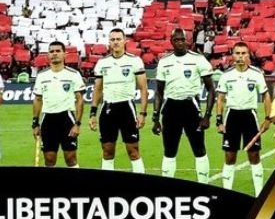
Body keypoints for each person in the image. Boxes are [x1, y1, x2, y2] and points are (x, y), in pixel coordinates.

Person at [153, 28, 216, 181]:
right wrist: (155, 118)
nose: (180, 42)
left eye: (183, 39)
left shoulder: (198, 59)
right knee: (169, 150)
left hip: (191, 107)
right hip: (171, 108)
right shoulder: (164, 62)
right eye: (177, 40)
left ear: (187, 41)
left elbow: (211, 89)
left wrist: (207, 115)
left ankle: (204, 184)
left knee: (199, 149)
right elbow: (159, 92)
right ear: (171, 42)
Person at [90, 28, 149, 173]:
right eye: (112, 40)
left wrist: (142, 113)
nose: (115, 42)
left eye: (118, 39)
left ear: (124, 41)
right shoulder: (102, 63)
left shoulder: (134, 61)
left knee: (133, 150)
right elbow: (98, 89)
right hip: (108, 109)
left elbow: (143, 89)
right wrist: (92, 113)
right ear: (109, 43)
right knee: (107, 151)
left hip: (127, 108)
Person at [216, 42, 272, 193]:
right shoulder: (226, 75)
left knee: (254, 155)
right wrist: (219, 121)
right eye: (237, 53)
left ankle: (259, 194)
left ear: (248, 55)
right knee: (229, 156)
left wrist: (267, 118)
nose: (240, 56)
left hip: (250, 116)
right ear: (232, 55)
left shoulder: (256, 74)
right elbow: (220, 99)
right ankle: (226, 192)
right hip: (232, 116)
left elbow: (266, 95)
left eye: (243, 53)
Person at [31, 42, 85, 168]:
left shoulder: (73, 74)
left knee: (70, 158)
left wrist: (77, 124)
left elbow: (80, 100)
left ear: (64, 54)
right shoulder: (42, 76)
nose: (54, 54)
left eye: (58, 51)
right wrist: (35, 123)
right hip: (48, 119)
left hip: (67, 119)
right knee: (49, 159)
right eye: (52, 51)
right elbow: (37, 100)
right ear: (48, 55)